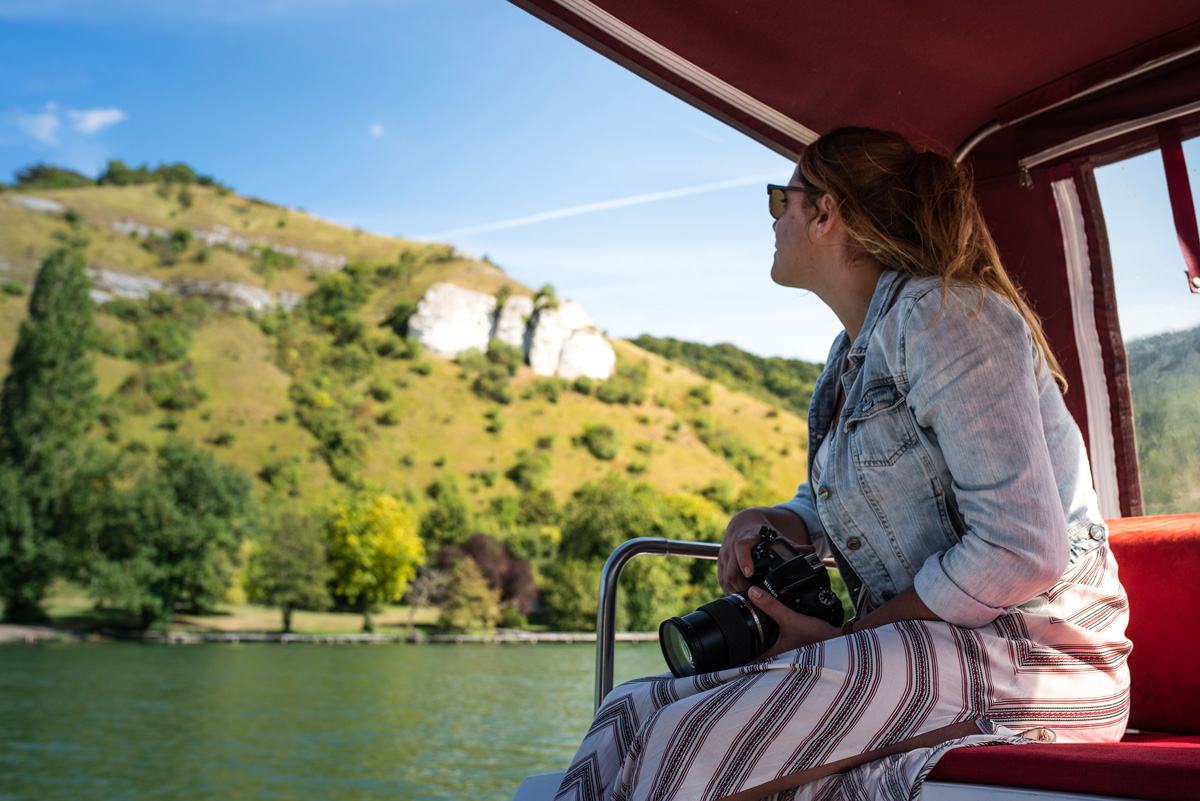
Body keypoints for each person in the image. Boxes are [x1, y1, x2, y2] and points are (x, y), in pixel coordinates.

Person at [553, 127, 1131, 801]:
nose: (774, 219)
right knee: (627, 712)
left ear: (825, 213)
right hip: (931, 647)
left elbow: (1021, 547)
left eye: (782, 200)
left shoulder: (948, 317)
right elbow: (856, 497)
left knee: (683, 742)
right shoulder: (848, 357)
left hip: (1039, 654)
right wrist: (783, 520)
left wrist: (849, 636)